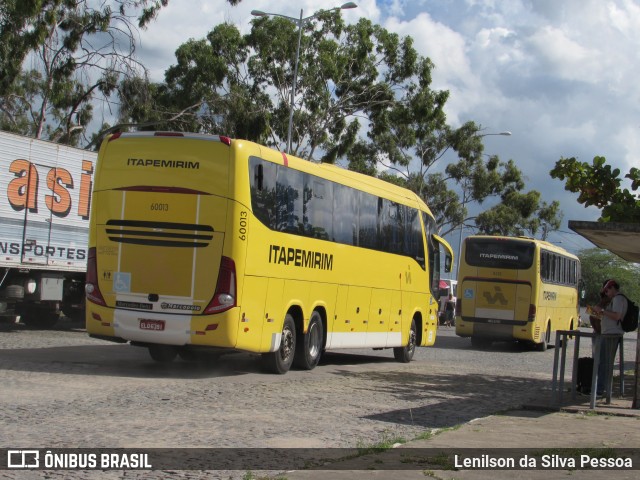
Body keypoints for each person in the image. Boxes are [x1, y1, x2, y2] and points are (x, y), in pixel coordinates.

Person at [590, 279, 627, 396]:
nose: (606, 294)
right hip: (607, 332)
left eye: (607, 291)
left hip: (612, 334)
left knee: (605, 363)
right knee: (602, 361)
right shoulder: (614, 299)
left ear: (612, 288)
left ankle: (600, 389)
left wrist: (602, 311)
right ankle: (601, 388)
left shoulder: (618, 299)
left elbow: (617, 316)